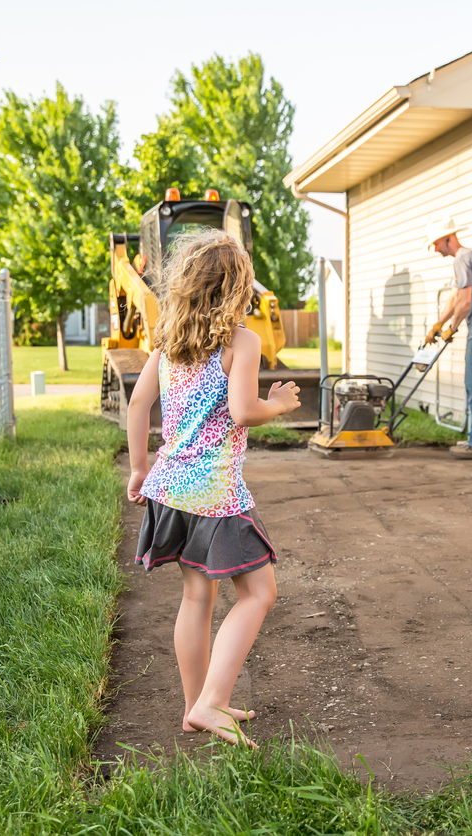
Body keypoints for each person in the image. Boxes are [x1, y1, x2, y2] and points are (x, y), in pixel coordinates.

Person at [125, 229, 302, 748]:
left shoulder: (169, 343)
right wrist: (280, 404)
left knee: (196, 596)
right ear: (237, 288)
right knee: (259, 593)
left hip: (170, 491)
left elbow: (139, 407)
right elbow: (245, 411)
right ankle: (212, 702)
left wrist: (139, 470)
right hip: (216, 496)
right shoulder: (240, 342)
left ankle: (193, 708)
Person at [422, 218, 472, 459]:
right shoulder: (467, 258)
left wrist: (452, 327)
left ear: (449, 239)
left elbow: (465, 302)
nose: (435, 249)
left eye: (436, 244)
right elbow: (456, 297)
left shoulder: (462, 258)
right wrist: (439, 324)